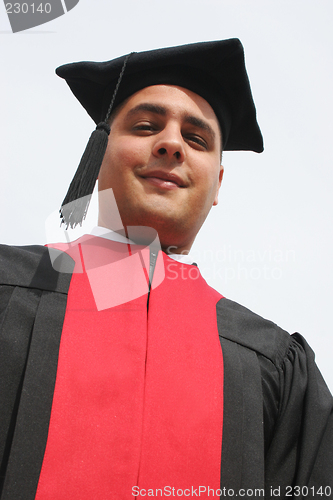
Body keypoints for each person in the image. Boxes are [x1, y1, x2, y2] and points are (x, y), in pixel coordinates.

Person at [0, 39, 332, 500]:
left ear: (217, 183)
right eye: (145, 126)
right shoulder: (6, 289)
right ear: (98, 156)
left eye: (196, 139)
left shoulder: (272, 364)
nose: (171, 144)